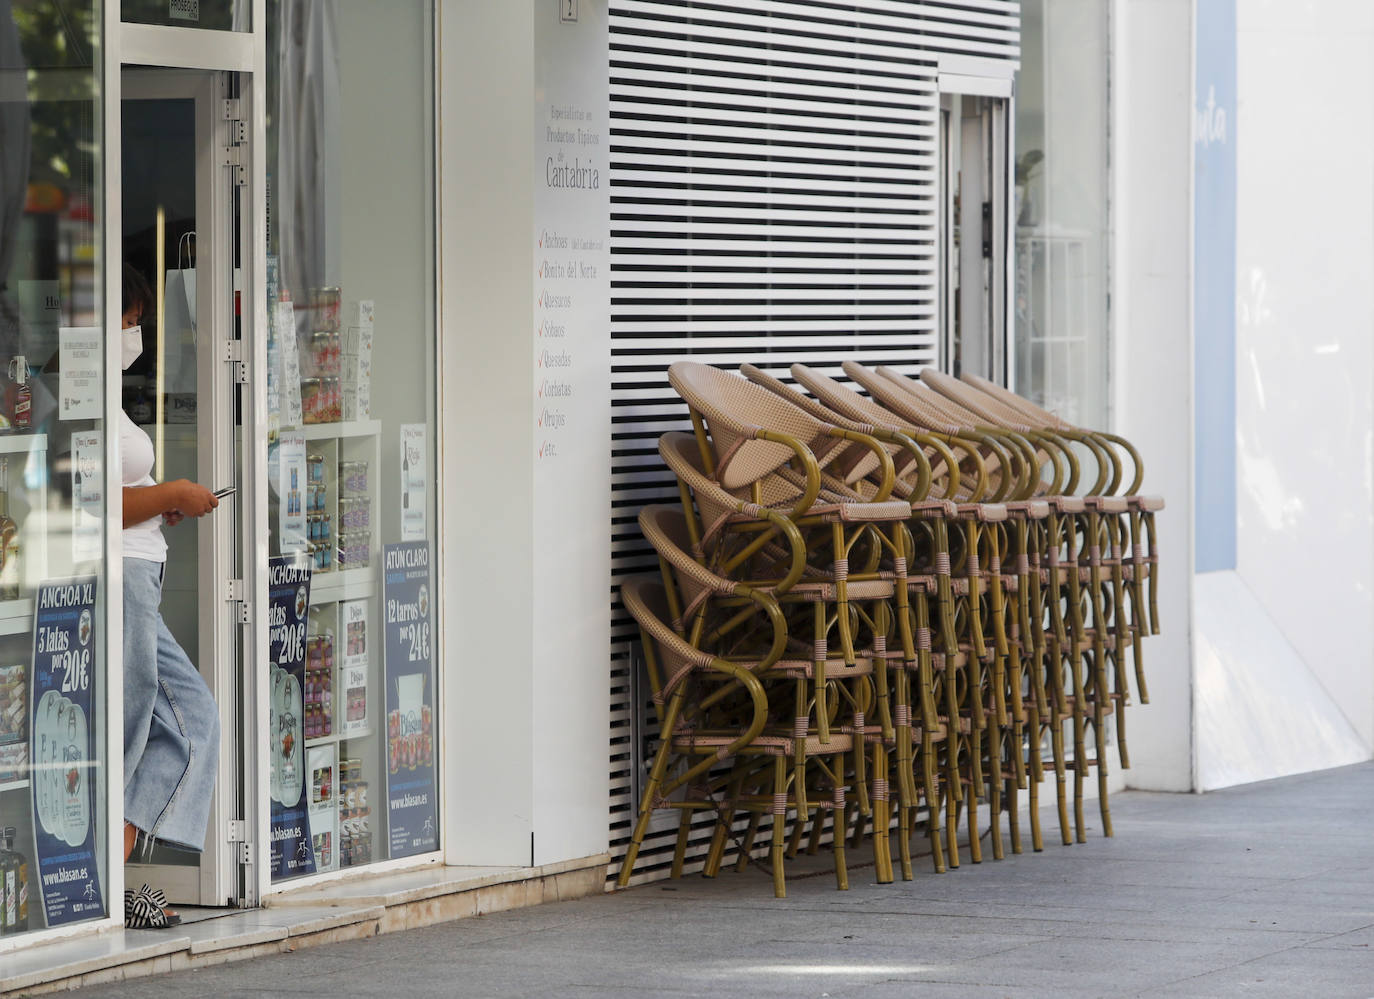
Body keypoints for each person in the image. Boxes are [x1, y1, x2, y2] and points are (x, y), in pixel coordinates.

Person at [119, 264, 221, 928]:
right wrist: (172, 494)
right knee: (146, 727)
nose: (135, 334)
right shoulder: (76, 397)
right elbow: (97, 501)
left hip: (140, 574)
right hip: (122, 581)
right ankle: (108, 877)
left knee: (183, 720)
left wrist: (162, 509)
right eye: (129, 321)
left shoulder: (103, 395)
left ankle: (109, 871)